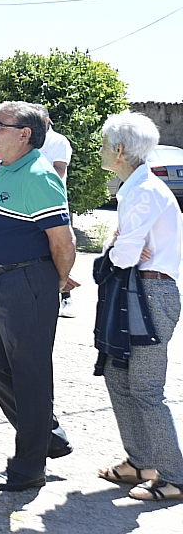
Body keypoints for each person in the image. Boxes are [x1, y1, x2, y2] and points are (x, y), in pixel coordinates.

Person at [0, 101, 78, 491]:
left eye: (0, 126)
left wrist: (55, 282)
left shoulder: (38, 175)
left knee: (31, 375)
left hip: (25, 283)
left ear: (25, 134)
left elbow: (64, 244)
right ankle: (45, 434)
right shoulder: (3, 167)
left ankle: (28, 467)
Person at [94, 111, 183, 502]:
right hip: (137, 293)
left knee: (146, 388)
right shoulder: (135, 186)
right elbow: (121, 250)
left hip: (149, 294)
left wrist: (115, 246)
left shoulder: (144, 190)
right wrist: (116, 246)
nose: (99, 150)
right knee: (118, 377)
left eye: (103, 143)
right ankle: (141, 462)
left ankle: (174, 477)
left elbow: (125, 254)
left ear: (118, 149)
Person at [33, 105, 77, 318]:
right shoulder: (30, 141)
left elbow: (59, 171)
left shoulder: (58, 141)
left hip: (52, 204)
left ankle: (66, 298)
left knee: (59, 249)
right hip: (30, 206)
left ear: (48, 120)